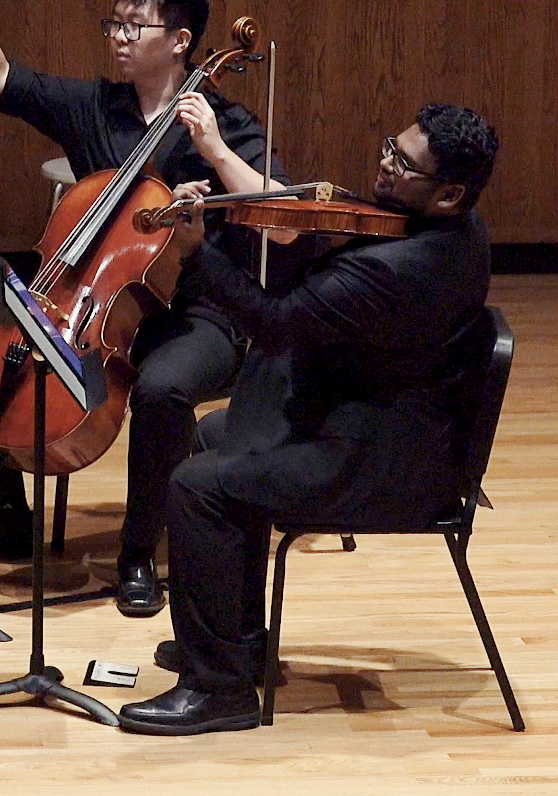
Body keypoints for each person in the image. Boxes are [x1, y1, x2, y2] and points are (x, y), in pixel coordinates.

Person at [0, 0, 293, 617]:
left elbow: (284, 222)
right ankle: (5, 517)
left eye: (133, 25)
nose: (117, 36)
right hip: (92, 304)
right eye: (113, 23)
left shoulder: (228, 122)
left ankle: (139, 551)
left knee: (163, 388)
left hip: (196, 310)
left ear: (180, 41)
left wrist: (212, 149)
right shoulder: (96, 106)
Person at [117, 103, 499, 735]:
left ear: (450, 194)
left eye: (404, 165)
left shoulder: (396, 270)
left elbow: (277, 323)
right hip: (380, 419)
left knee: (198, 486)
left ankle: (219, 690)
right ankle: (236, 644)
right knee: (211, 438)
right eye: (391, 146)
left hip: (386, 463)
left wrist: (197, 251)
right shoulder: (456, 228)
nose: (386, 163)